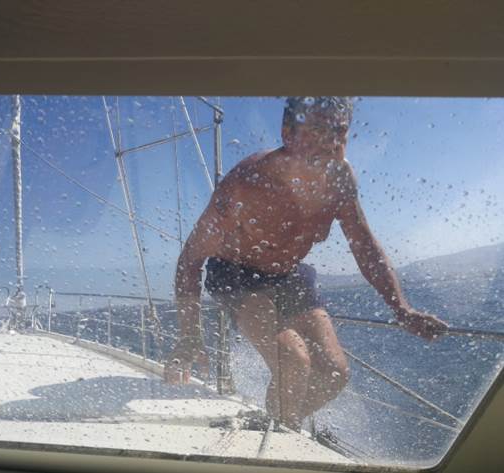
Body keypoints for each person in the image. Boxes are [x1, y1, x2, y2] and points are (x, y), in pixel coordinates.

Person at [163, 96, 448, 430]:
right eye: (316, 130)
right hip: (236, 273)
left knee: (334, 373)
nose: (329, 143)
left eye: (338, 132)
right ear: (288, 132)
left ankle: (276, 425)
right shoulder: (246, 183)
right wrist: (189, 335)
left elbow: (364, 245)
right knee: (293, 359)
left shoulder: (340, 179)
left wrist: (401, 308)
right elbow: (191, 258)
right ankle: (281, 436)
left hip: (290, 274)